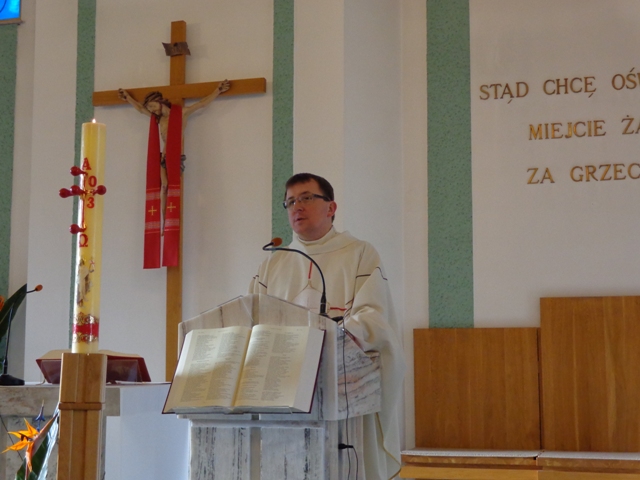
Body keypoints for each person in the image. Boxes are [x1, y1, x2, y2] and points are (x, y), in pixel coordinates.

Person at [249, 173, 406, 480]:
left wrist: (339, 335)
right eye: (290, 201)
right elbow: (252, 321)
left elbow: (374, 314)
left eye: (307, 198)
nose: (297, 207)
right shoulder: (272, 264)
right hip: (284, 388)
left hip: (344, 385)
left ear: (331, 207)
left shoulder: (359, 253)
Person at [118, 80, 230, 231]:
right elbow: (140, 109)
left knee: (171, 188)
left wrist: (217, 91)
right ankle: (164, 222)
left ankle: (169, 221)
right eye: (150, 108)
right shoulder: (158, 119)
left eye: (152, 106)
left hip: (175, 157)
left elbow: (201, 104)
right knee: (163, 186)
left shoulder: (181, 114)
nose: (151, 110)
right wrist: (128, 98)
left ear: (160, 102)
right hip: (163, 157)